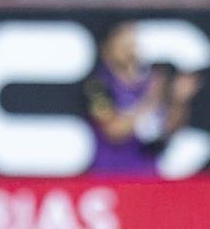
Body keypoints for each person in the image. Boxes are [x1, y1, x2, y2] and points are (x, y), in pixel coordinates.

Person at [84, 22, 201, 176]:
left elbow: (167, 129)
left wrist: (179, 100)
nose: (131, 50)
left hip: (148, 176)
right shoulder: (97, 85)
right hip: (110, 176)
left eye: (133, 44)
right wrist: (151, 99)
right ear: (107, 48)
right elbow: (114, 130)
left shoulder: (149, 82)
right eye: (124, 45)